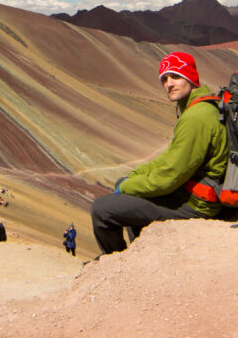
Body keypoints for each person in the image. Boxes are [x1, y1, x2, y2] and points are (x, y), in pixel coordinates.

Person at [90, 51, 228, 255]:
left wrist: (129, 185)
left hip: (197, 203)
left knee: (102, 210)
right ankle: (140, 249)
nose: (169, 84)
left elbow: (169, 178)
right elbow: (171, 156)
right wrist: (135, 176)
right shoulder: (199, 109)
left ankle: (116, 261)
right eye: (164, 79)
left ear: (191, 78)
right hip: (193, 191)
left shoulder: (196, 118)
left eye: (176, 76)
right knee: (124, 184)